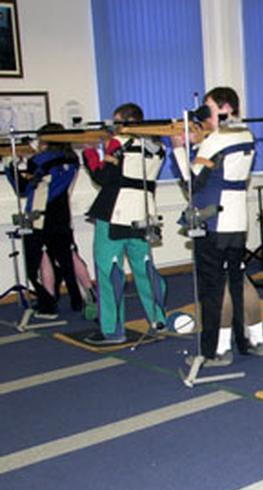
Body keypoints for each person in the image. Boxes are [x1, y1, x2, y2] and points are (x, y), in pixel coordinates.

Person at [172, 86, 263, 367]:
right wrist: (201, 140)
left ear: (223, 108)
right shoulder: (245, 135)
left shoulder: (217, 140)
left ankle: (218, 349)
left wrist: (179, 149)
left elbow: (193, 182)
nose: (204, 115)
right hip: (236, 218)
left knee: (216, 287)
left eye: (209, 108)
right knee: (239, 278)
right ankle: (257, 338)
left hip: (215, 220)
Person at [82, 103, 168, 345]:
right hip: (143, 213)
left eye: (116, 121)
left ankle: (111, 330)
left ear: (125, 122)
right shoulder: (158, 147)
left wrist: (89, 153)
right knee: (145, 269)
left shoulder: (119, 143)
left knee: (109, 273)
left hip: (115, 215)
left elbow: (103, 177)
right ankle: (158, 319)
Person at [5, 123, 88, 318]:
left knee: (42, 258)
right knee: (69, 256)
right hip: (62, 213)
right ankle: (84, 296)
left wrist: (11, 167)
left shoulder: (40, 160)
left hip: (40, 213)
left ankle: (49, 303)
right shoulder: (72, 158)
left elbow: (23, 189)